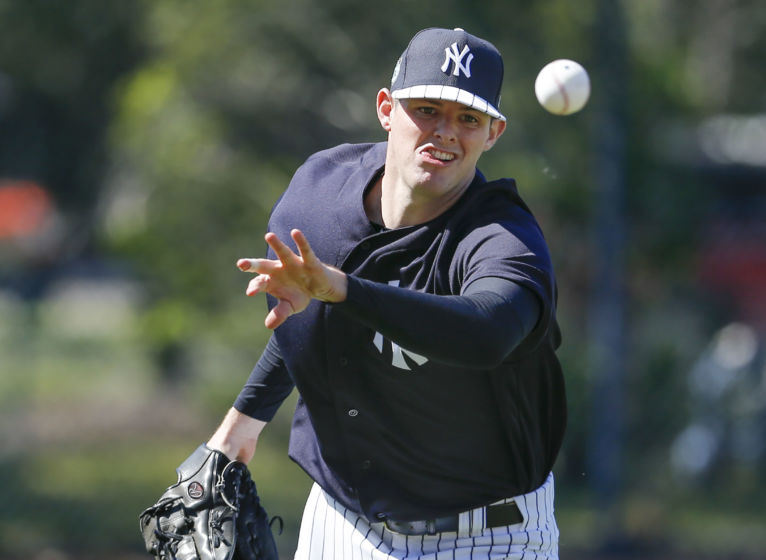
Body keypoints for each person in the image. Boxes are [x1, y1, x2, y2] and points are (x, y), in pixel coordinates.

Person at [206, 27, 568, 559]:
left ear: (494, 133)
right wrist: (241, 423)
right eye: (427, 108)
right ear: (385, 108)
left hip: (489, 534)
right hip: (343, 523)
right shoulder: (318, 198)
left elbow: (487, 331)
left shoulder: (503, 241)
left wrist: (344, 290)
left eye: (468, 118)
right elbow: (308, 318)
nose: (445, 132)